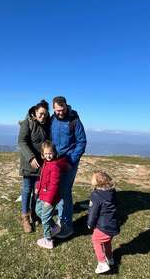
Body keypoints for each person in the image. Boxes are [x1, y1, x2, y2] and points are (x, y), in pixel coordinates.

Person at [51, 96, 87, 238]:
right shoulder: (52, 120)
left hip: (69, 161)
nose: (60, 112)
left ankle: (67, 226)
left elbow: (81, 142)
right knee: (57, 190)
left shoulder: (74, 120)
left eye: (62, 109)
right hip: (54, 161)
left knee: (65, 192)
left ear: (67, 106)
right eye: (57, 110)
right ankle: (61, 219)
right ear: (53, 109)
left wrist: (71, 161)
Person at [18, 100, 50, 233]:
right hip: (28, 162)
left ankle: (34, 214)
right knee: (27, 190)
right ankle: (25, 218)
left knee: (37, 191)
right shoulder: (27, 123)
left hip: (42, 164)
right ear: (35, 112)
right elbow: (21, 141)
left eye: (45, 114)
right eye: (40, 114)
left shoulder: (47, 124)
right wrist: (31, 157)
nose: (43, 117)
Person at [35, 140, 69, 249]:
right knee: (38, 211)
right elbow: (43, 178)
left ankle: (48, 239)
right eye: (46, 154)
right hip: (42, 194)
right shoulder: (45, 164)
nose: (48, 156)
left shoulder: (54, 167)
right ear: (42, 154)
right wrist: (37, 187)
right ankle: (55, 227)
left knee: (45, 218)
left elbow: (54, 186)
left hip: (49, 197)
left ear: (54, 153)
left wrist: (49, 201)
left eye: (50, 153)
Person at [87, 171, 119, 274]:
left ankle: (102, 263)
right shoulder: (112, 192)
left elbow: (93, 212)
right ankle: (110, 258)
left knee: (96, 240)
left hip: (103, 226)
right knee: (107, 241)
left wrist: (90, 224)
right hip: (113, 225)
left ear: (96, 183)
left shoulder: (96, 195)